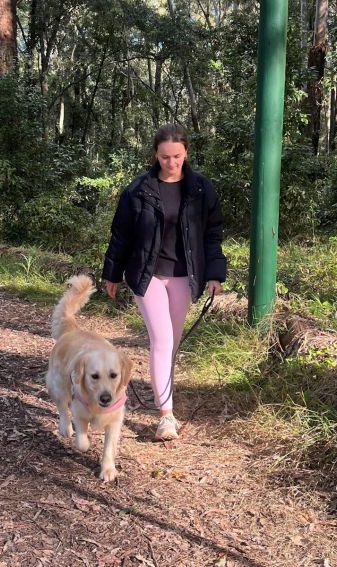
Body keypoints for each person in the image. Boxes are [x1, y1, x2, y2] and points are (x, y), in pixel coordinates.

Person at [102, 123, 227, 440]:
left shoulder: (201, 189)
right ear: (155, 155)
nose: (171, 163)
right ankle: (166, 416)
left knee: (171, 344)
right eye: (164, 157)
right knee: (161, 340)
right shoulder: (138, 190)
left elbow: (212, 235)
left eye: (177, 156)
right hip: (148, 275)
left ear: (186, 153)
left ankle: (163, 397)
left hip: (185, 276)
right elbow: (121, 234)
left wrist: (215, 273)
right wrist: (112, 273)